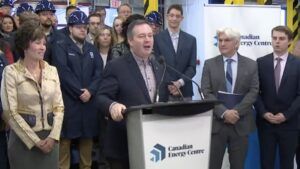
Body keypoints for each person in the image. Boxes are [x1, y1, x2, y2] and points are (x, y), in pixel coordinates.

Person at [97, 19, 169, 169]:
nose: (148, 39)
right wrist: (112, 106)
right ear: (130, 40)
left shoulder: (159, 65)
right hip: (124, 145)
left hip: (154, 144)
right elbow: (101, 97)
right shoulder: (116, 66)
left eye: (150, 35)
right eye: (142, 36)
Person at [0, 20, 64, 169]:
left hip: (50, 139)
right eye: (37, 43)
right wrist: (35, 141)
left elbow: (59, 107)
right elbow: (10, 112)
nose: (42, 47)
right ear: (24, 45)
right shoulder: (11, 72)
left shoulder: (52, 70)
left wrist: (54, 136)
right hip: (23, 141)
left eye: (44, 43)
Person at [201, 27, 259, 169]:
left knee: (238, 166)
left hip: (240, 123)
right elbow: (206, 91)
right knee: (213, 165)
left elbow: (253, 91)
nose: (222, 43)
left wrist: (236, 112)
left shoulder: (251, 65)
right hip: (217, 124)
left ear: (237, 44)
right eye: (220, 40)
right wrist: (224, 112)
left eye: (227, 40)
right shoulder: (209, 64)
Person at [51, 10, 103, 169]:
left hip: (88, 103)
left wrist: (91, 91)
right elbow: (62, 72)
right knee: (65, 141)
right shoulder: (61, 46)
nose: (83, 29)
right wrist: (80, 92)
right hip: (69, 101)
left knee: (87, 142)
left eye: (85, 27)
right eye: (79, 27)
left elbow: (99, 72)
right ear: (70, 28)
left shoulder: (92, 49)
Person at [255, 26, 300, 169]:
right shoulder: (261, 62)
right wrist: (263, 113)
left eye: (281, 39)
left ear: (289, 41)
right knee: (266, 163)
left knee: (287, 164)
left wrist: (286, 115)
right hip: (266, 124)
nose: (277, 42)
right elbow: (255, 92)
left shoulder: (298, 64)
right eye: (274, 38)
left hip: (290, 124)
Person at [154, 4, 197, 100]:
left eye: (177, 16)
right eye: (172, 15)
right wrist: (171, 84)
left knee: (188, 115)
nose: (174, 18)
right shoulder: (157, 39)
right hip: (165, 91)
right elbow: (157, 65)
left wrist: (180, 82)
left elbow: (192, 67)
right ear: (167, 16)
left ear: (182, 18)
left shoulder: (191, 40)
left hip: (185, 91)